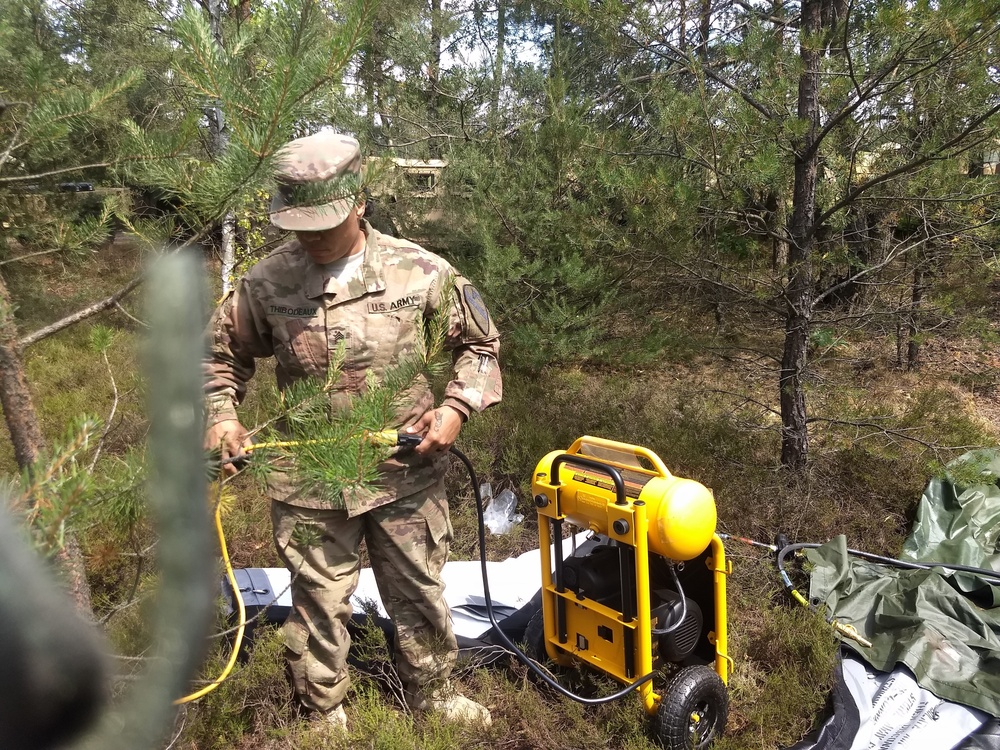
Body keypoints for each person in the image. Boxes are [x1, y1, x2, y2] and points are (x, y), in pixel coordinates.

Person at [203, 131, 502, 729]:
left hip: (404, 472)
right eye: (299, 225)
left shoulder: (421, 273)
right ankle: (323, 710)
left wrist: (456, 408)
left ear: (359, 201)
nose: (311, 237)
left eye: (324, 223)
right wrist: (222, 417)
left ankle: (435, 696)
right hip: (309, 476)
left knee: (419, 588)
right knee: (317, 600)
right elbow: (220, 356)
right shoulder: (266, 282)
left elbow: (480, 345)